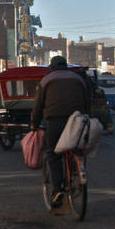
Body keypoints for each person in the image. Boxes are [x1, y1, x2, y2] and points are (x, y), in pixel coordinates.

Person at [30, 56, 91, 211]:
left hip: (54, 121)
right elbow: (87, 101)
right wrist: (87, 116)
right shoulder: (78, 79)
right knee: (76, 149)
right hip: (77, 120)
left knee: (53, 153)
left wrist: (34, 123)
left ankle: (57, 190)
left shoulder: (46, 80)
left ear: (52, 67)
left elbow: (38, 105)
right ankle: (76, 172)